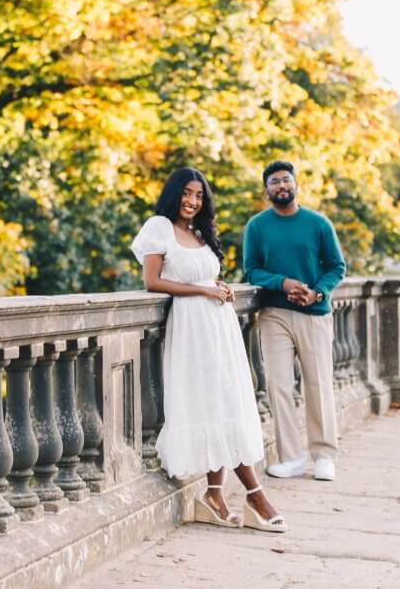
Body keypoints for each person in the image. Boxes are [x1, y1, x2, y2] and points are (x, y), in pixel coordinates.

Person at [131, 168, 287, 533]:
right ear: (174, 194)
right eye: (187, 193)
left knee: (228, 402)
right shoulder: (159, 227)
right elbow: (153, 282)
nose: (192, 201)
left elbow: (200, 274)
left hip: (219, 326)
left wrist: (218, 286)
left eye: (199, 196)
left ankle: (215, 493)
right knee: (214, 404)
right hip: (191, 329)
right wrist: (203, 291)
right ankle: (256, 495)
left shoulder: (198, 232)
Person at [243, 161, 346, 481]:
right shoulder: (257, 227)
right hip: (274, 314)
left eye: (286, 180)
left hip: (314, 314)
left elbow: (336, 267)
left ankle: (324, 455)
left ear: (296, 184)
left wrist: (316, 293)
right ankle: (291, 457)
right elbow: (251, 270)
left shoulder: (318, 223)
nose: (281, 186)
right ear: (267, 190)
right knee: (278, 385)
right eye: (274, 182)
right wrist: (283, 282)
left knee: (318, 384)